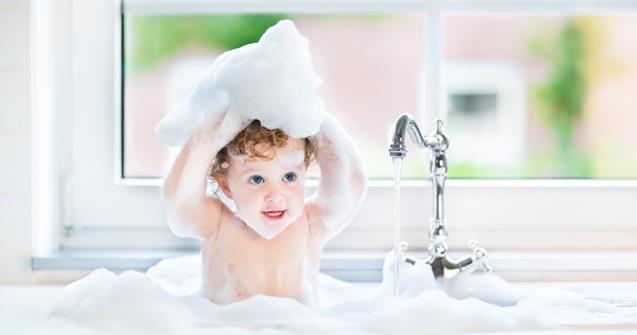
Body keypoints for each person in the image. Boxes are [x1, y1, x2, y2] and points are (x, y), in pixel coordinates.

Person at [161, 110, 367, 306]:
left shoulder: (310, 223)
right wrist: (208, 134)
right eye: (257, 179)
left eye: (289, 177)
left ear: (304, 173)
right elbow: (181, 204)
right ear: (226, 185)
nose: (275, 196)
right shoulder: (217, 224)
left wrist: (319, 123)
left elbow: (350, 188)